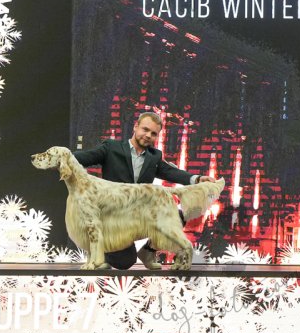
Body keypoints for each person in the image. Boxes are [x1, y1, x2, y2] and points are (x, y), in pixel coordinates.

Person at [73, 111, 212, 270]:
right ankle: (102, 250)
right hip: (113, 220)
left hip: (139, 216)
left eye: (153, 133)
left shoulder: (154, 156)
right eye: (145, 129)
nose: (148, 136)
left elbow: (171, 172)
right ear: (136, 127)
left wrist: (197, 178)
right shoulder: (111, 148)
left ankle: (148, 251)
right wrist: (64, 157)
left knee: (177, 216)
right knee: (124, 262)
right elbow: (85, 157)